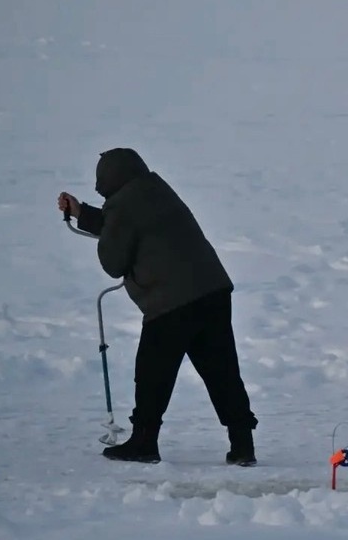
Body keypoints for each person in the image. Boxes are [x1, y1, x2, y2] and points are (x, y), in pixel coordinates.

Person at [58, 148, 259, 465]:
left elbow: (113, 260)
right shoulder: (157, 190)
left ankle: (144, 443)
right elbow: (128, 226)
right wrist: (83, 213)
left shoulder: (122, 206)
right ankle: (243, 445)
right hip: (213, 291)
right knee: (222, 372)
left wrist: (97, 225)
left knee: (153, 374)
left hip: (171, 302)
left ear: (107, 181)